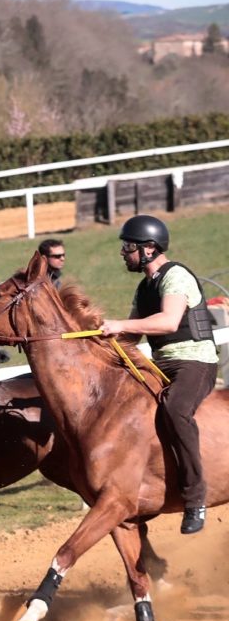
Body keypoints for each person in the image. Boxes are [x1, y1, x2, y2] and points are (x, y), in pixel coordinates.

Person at [99, 215, 218, 534]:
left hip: (195, 362)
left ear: (149, 248)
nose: (124, 252)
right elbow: (129, 340)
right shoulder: (144, 287)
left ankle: (196, 498)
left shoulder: (175, 276)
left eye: (129, 247)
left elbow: (167, 322)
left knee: (175, 408)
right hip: (160, 363)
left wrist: (121, 325)